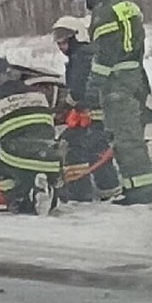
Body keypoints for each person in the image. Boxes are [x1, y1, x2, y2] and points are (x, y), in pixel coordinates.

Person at [67, 0, 152, 206]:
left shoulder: (104, 13)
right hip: (136, 75)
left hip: (118, 81)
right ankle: (135, 188)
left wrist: (91, 89)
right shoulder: (125, 5)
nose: (84, 4)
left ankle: (142, 191)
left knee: (125, 138)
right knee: (128, 137)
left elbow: (106, 55)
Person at [0, 57, 61, 216]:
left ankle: (18, 200)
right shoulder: (36, 93)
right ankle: (48, 192)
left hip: (18, 155)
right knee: (37, 168)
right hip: (51, 155)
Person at [51, 15, 120, 202]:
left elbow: (79, 88)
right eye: (58, 39)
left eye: (64, 38)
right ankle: (109, 191)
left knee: (74, 148)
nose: (61, 44)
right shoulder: (86, 54)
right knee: (96, 152)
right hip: (99, 117)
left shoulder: (82, 55)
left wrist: (66, 105)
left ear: (77, 36)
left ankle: (80, 193)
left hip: (96, 117)